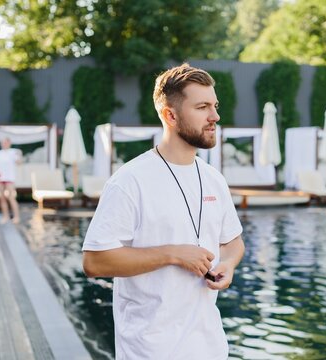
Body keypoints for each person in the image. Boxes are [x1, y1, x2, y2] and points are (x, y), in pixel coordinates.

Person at [82, 63, 245, 359]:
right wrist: (173, 254)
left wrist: (229, 264)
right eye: (202, 107)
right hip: (150, 350)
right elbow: (94, 261)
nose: (215, 116)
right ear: (170, 115)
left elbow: (232, 241)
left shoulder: (213, 179)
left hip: (210, 348)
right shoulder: (130, 181)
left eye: (215, 105)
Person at [0, 137, 22, 224]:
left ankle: (16, 217)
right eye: (3, 142)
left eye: (6, 142)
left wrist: (20, 154)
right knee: (2, 198)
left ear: (9, 143)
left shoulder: (13, 152)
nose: (4, 144)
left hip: (9, 178)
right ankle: (5, 216)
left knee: (11, 197)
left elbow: (19, 162)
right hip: (1, 178)